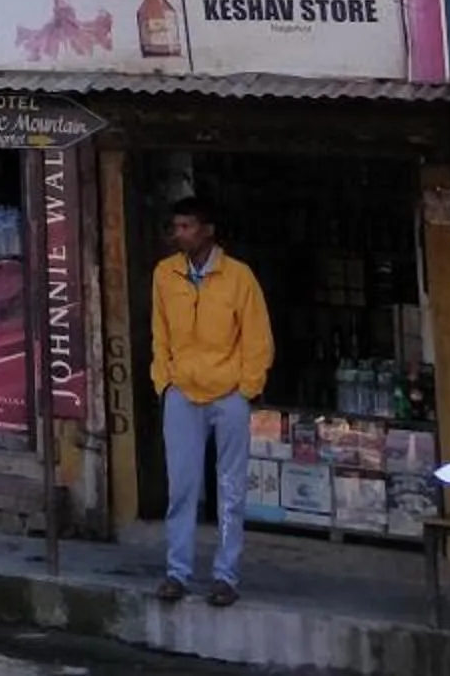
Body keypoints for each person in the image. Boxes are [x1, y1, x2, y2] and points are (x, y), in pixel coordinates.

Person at [150, 194, 273, 608]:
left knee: (230, 489)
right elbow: (159, 333)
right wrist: (163, 382)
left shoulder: (239, 277)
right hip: (181, 392)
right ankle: (177, 572)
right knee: (182, 486)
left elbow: (258, 339)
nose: (179, 234)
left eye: (187, 227)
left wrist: (246, 388)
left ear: (208, 231)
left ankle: (225, 575)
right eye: (177, 227)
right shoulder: (164, 274)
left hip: (229, 394)